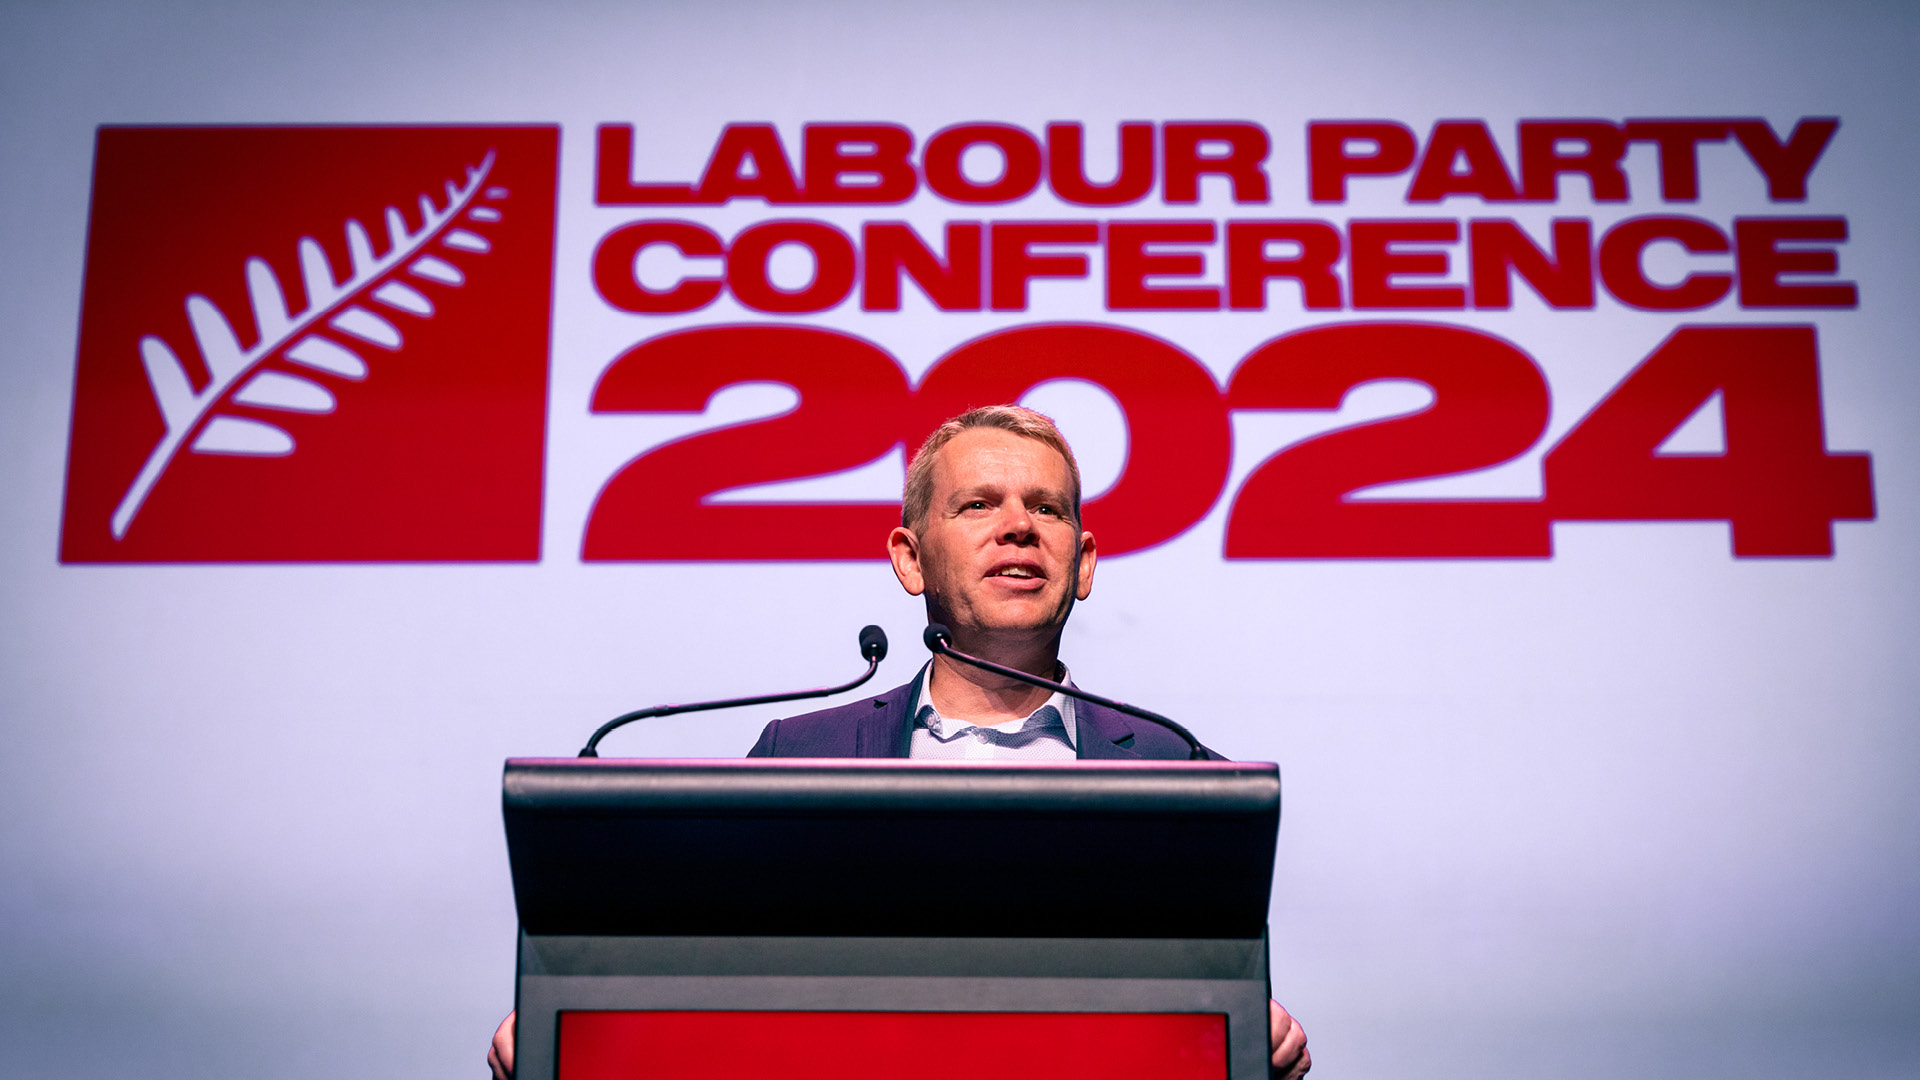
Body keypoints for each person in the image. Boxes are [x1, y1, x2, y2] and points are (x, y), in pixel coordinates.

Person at [489, 405, 1310, 1079]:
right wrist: (584, 1009)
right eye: (979, 504)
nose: (1019, 527)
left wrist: (1252, 1028)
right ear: (909, 559)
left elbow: (1208, 985)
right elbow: (705, 966)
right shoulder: (800, 753)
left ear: (1083, 562)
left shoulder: (1178, 767)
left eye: (1048, 509)